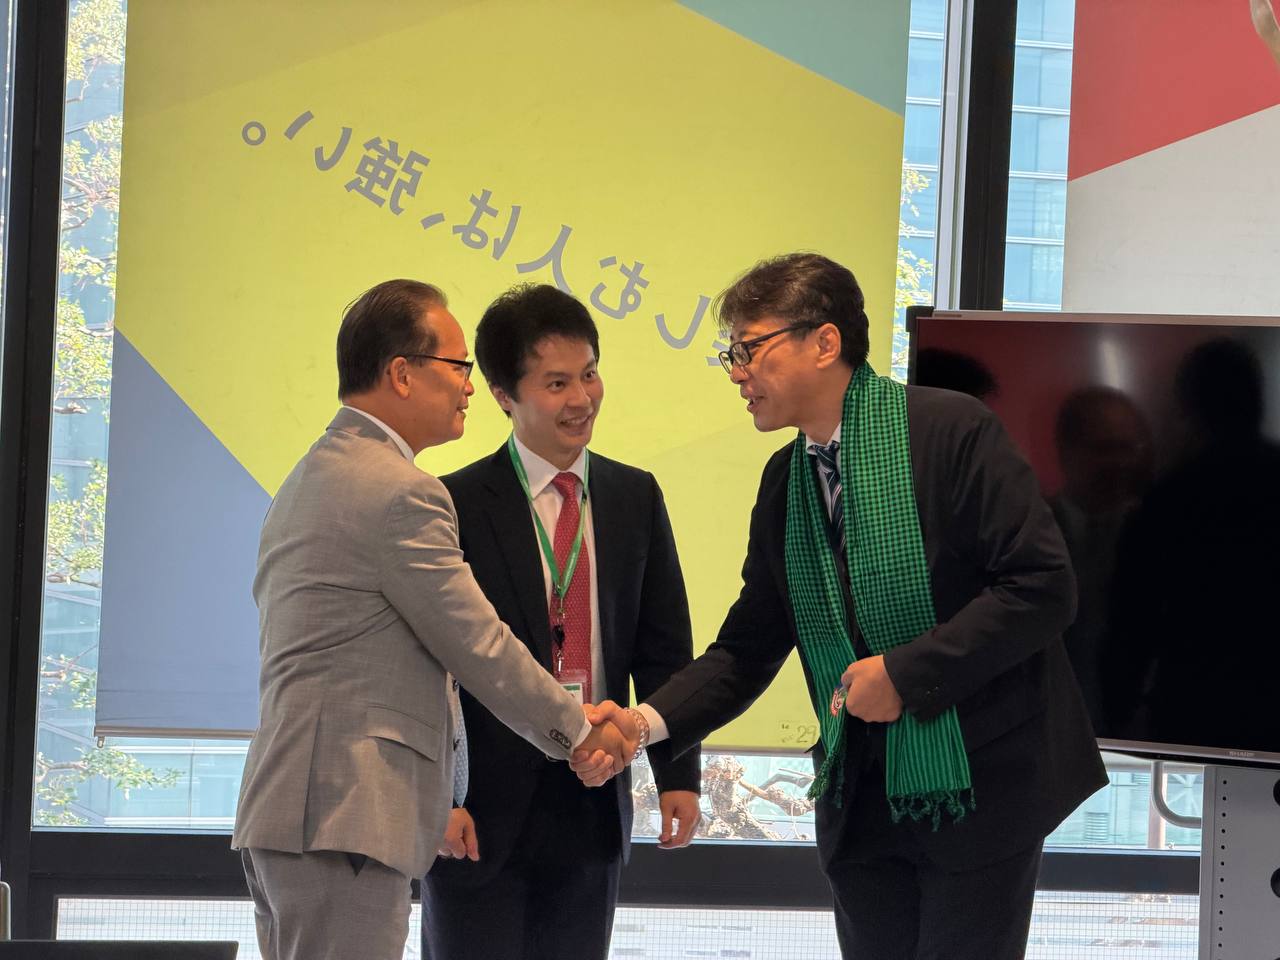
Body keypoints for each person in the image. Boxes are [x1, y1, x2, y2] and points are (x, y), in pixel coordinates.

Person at [586, 253, 1106, 960]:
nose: (736, 372)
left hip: (979, 786)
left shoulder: (950, 432)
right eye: (731, 354)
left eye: (749, 349)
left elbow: (1041, 587)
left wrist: (905, 674)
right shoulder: (786, 480)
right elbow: (746, 649)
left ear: (824, 343)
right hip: (859, 797)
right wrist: (642, 722)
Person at [230, 279, 633, 960]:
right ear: (402, 374)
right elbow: (478, 645)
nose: (469, 387)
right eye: (456, 367)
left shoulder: (315, 473)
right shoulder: (399, 492)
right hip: (344, 817)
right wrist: (579, 729)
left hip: (299, 812)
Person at [421, 283, 702, 960]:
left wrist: (678, 775)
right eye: (556, 383)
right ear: (503, 394)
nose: (581, 399)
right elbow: (432, 669)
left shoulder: (635, 496)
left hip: (592, 797)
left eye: (589, 375)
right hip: (479, 812)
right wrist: (436, 797)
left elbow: (665, 647)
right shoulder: (453, 503)